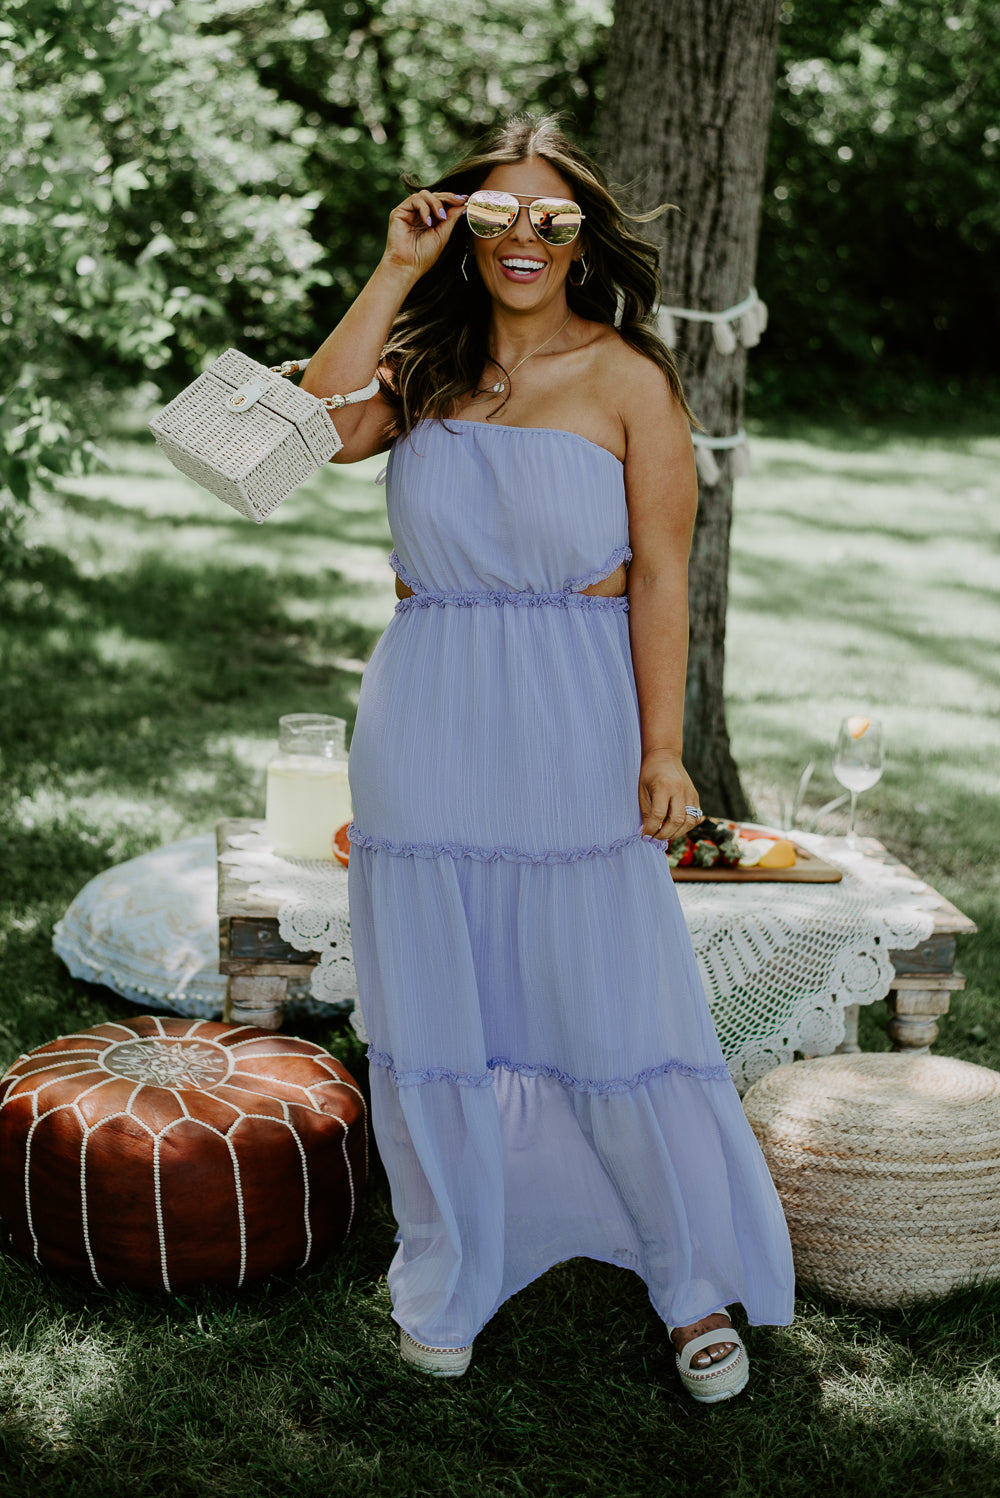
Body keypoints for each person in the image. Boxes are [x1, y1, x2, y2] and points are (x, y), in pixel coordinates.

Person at [300, 114, 794, 1402]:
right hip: (425, 712)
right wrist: (395, 268)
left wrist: (664, 749)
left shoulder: (630, 379)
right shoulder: (422, 364)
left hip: (575, 712)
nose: (526, 237)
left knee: (610, 999)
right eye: (497, 214)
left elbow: (665, 578)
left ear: (584, 240)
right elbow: (312, 431)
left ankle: (687, 1277)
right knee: (436, 1005)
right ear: (462, 226)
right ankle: (455, 1260)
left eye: (554, 218)